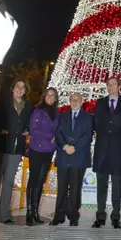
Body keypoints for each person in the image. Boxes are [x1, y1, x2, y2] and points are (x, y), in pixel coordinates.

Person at [0, 78, 33, 226]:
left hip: (16, 150)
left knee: (9, 182)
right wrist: (1, 130)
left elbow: (31, 123)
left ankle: (4, 215)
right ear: (12, 89)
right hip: (0, 148)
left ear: (25, 91)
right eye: (17, 86)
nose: (20, 89)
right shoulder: (3, 104)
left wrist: (28, 130)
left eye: (23, 87)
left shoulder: (28, 107)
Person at [92, 76, 121, 229]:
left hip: (118, 150)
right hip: (102, 150)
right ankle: (100, 217)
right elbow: (96, 123)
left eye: (113, 84)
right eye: (108, 84)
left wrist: (118, 139)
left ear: (119, 86)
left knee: (117, 187)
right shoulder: (100, 103)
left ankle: (115, 217)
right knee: (101, 186)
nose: (110, 87)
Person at [50, 92, 93, 227]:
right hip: (63, 155)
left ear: (82, 101)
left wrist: (75, 147)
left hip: (79, 157)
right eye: (72, 99)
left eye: (77, 99)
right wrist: (65, 146)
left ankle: (73, 216)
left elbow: (88, 135)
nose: (74, 102)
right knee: (62, 187)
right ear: (69, 101)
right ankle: (59, 216)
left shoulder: (88, 117)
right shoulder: (62, 116)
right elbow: (57, 133)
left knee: (75, 188)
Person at [26, 87, 59, 226]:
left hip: (48, 151)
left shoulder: (57, 113)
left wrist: (55, 141)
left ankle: (35, 212)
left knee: (40, 181)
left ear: (55, 98)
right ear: (44, 97)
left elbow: (58, 131)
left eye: (52, 96)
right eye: (48, 95)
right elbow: (33, 130)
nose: (50, 98)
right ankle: (29, 212)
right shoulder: (38, 111)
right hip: (36, 149)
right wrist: (50, 137)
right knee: (33, 179)